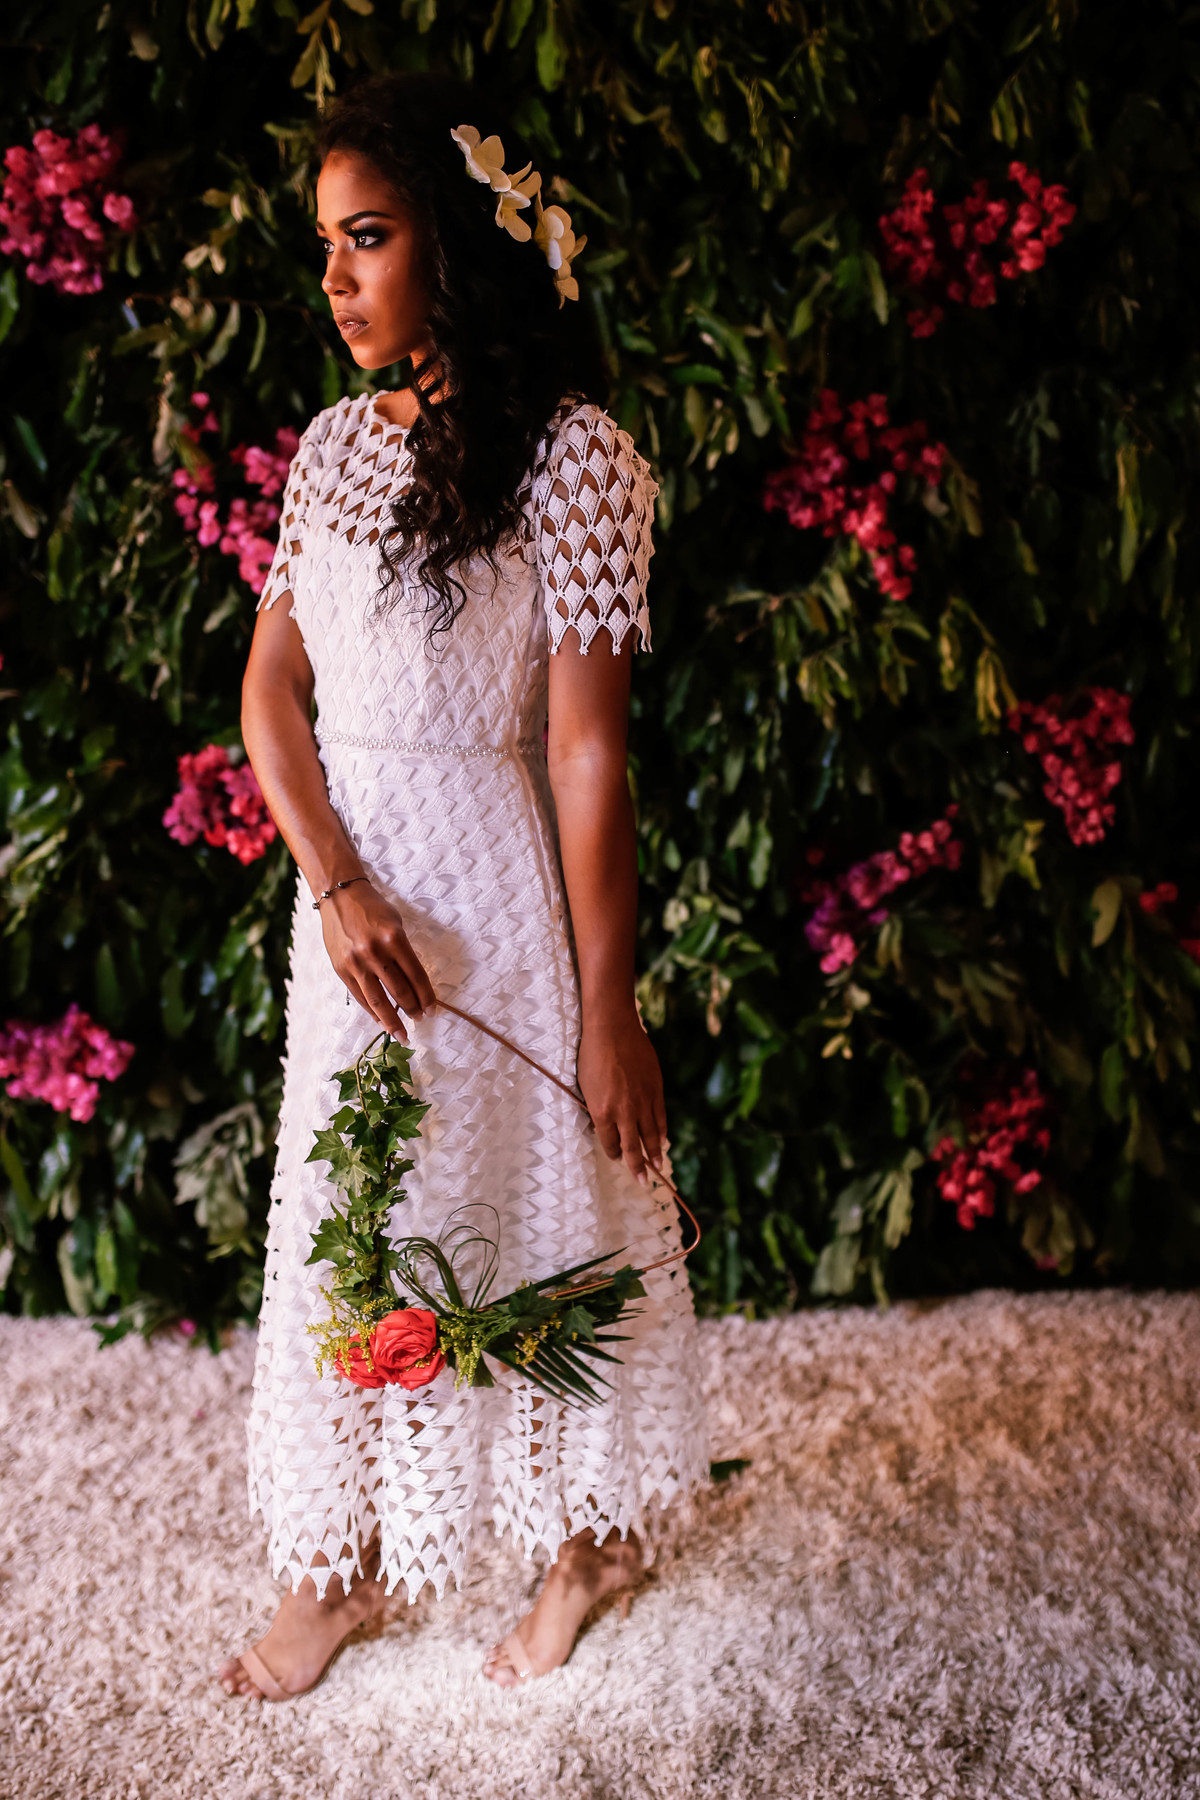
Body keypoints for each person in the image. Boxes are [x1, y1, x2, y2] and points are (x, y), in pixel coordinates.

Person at [217, 72, 706, 1701]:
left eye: (370, 239)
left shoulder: (576, 460)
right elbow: (268, 698)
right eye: (326, 247)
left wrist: (607, 1002)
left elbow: (583, 756)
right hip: (349, 903)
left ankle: (587, 1536)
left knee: (533, 1202)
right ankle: (345, 1558)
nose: (339, 280)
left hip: (493, 893)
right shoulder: (330, 454)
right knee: (353, 1214)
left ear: (459, 248)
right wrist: (338, 883)